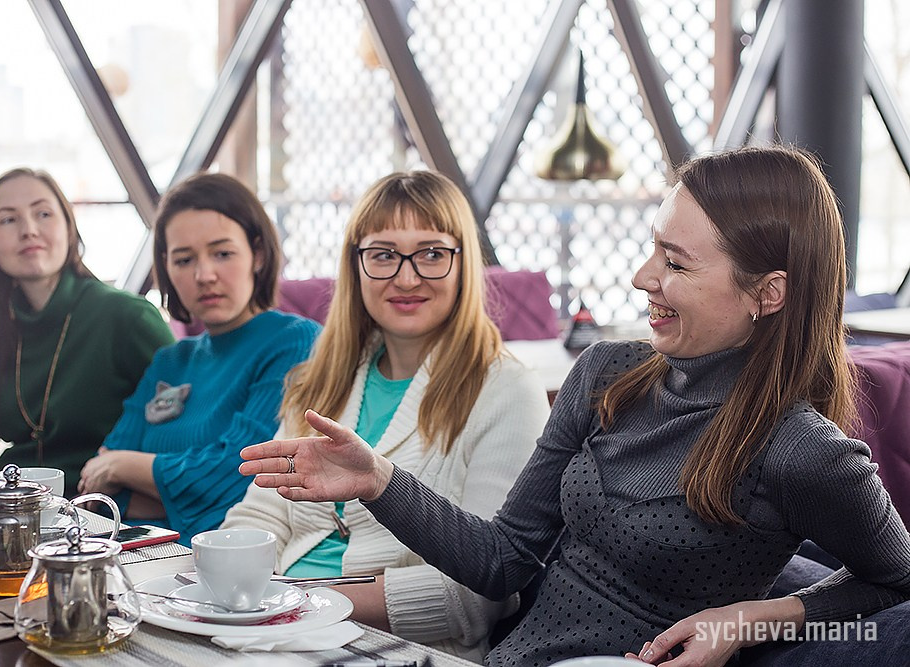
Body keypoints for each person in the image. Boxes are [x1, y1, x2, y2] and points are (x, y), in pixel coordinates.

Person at [236, 146, 910, 667]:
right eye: (652, 249)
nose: (643, 276)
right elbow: (502, 560)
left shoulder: (803, 449)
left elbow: (896, 582)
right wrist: (379, 481)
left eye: (674, 262)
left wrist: (750, 620)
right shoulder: (607, 373)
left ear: (769, 293)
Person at [221, 170, 550, 661]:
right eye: (383, 255)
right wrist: (228, 577)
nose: (406, 277)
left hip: (402, 648)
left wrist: (301, 603)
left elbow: (482, 591)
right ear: (356, 265)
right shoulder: (321, 379)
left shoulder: (506, 389)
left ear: (465, 263)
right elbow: (261, 511)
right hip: (273, 628)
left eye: (432, 253)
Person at [78, 172, 319, 543]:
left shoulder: (293, 342)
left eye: (222, 253)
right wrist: (130, 476)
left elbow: (241, 476)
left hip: (220, 568)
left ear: (257, 254)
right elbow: (98, 484)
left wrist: (124, 468)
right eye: (184, 259)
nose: (204, 275)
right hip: (127, 555)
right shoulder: (170, 361)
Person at [0, 168, 174, 496]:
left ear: (69, 228)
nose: (29, 230)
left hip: (102, 513)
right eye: (8, 220)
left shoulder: (127, 316)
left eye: (43, 213)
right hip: (14, 511)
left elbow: (183, 434)